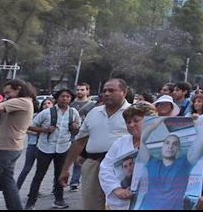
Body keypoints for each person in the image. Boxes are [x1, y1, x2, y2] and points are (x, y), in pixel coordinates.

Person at [60, 78, 132, 210]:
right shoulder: (94, 112)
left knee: (121, 205)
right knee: (92, 205)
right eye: (104, 91)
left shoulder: (133, 113)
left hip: (123, 167)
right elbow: (80, 141)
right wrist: (65, 169)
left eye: (111, 90)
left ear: (124, 92)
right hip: (93, 165)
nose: (107, 93)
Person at [25, 88, 81, 210]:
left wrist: (75, 127)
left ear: (71, 99)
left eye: (67, 97)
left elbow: (77, 129)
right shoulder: (46, 113)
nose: (65, 99)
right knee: (39, 175)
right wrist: (44, 130)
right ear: (57, 98)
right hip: (45, 147)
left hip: (63, 147)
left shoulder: (73, 112)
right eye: (62, 96)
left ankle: (59, 200)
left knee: (60, 175)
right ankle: (31, 202)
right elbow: (30, 126)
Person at [135, 116, 203, 210]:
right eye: (167, 143)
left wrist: (197, 123)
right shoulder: (151, 163)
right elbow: (141, 140)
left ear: (178, 149)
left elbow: (201, 139)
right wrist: (155, 124)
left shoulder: (184, 163)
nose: (170, 146)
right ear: (162, 147)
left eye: (175, 144)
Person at [0, 79, 36, 210]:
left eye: (8, 92)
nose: (6, 96)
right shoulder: (26, 102)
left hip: (3, 148)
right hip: (12, 147)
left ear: (18, 88)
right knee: (7, 182)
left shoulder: (21, 101)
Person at [99, 102, 158, 210]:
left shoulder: (161, 144)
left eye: (136, 120)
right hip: (120, 204)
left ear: (150, 120)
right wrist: (116, 189)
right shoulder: (120, 143)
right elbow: (105, 168)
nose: (131, 125)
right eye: (128, 122)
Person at [16, 98, 52, 191]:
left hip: (45, 145)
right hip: (33, 144)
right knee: (27, 168)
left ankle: (35, 190)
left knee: (40, 170)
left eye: (49, 103)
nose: (46, 105)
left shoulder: (54, 116)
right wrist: (37, 132)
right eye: (44, 104)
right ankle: (16, 188)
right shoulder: (35, 115)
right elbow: (25, 128)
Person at [69, 82, 97, 191]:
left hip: (84, 136)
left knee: (79, 159)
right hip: (71, 135)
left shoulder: (92, 105)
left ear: (87, 91)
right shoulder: (71, 104)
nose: (80, 92)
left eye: (82, 89)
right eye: (78, 90)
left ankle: (74, 182)